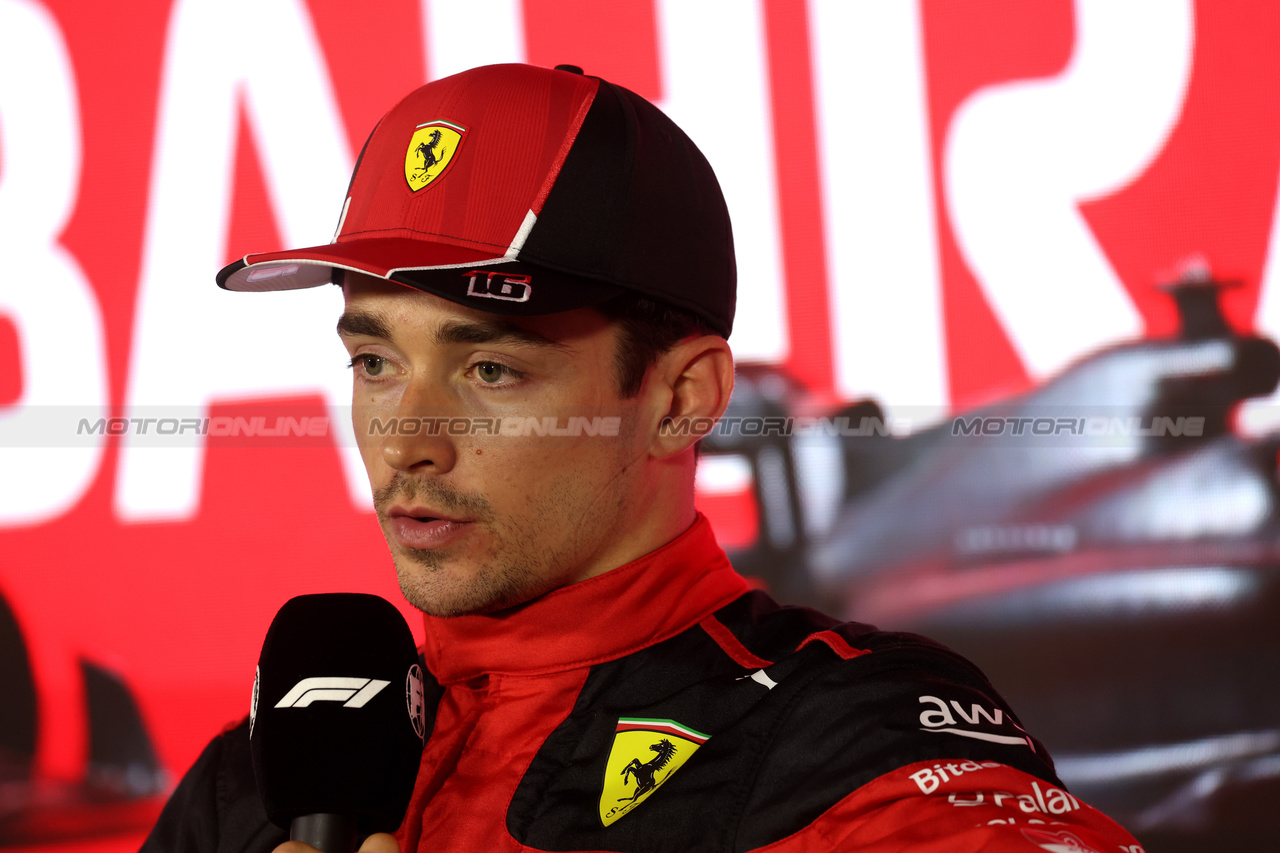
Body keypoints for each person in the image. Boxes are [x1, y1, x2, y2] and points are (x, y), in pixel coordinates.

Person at [142, 63, 1142, 852]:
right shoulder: (260, 778)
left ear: (679, 399)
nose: (406, 437)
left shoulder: (843, 740)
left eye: (489, 368)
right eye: (373, 358)